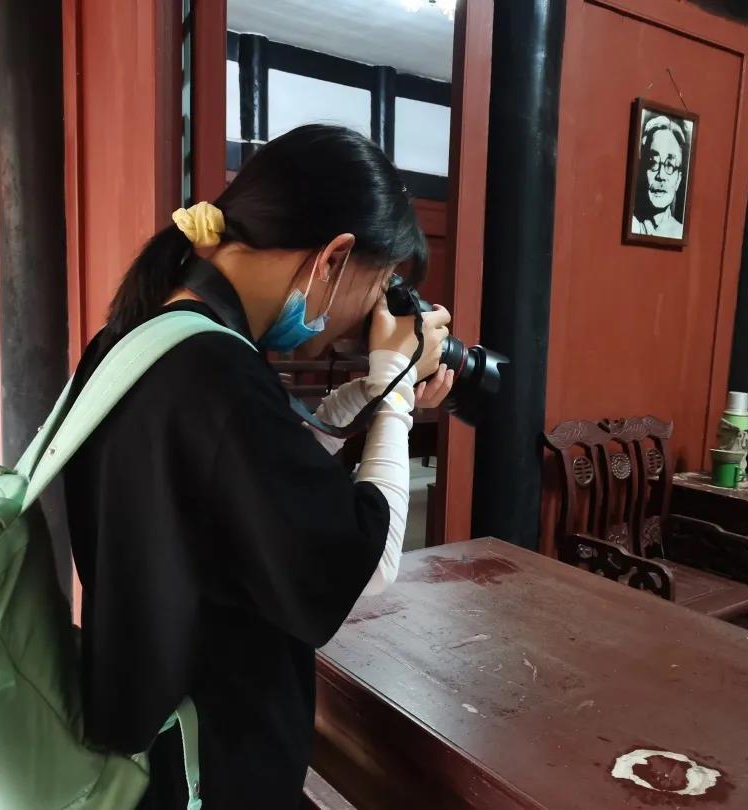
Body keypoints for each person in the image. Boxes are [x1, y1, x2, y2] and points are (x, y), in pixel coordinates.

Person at [63, 125, 454, 808]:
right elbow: (367, 565)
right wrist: (395, 393)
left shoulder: (138, 340)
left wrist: (366, 393)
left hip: (143, 749)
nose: (364, 317)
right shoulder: (217, 377)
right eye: (378, 285)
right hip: (209, 773)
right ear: (334, 257)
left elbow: (251, 485)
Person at [631, 114, 689, 239]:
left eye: (670, 165)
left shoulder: (680, 232)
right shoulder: (630, 223)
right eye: (653, 163)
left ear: (678, 180)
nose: (661, 175)